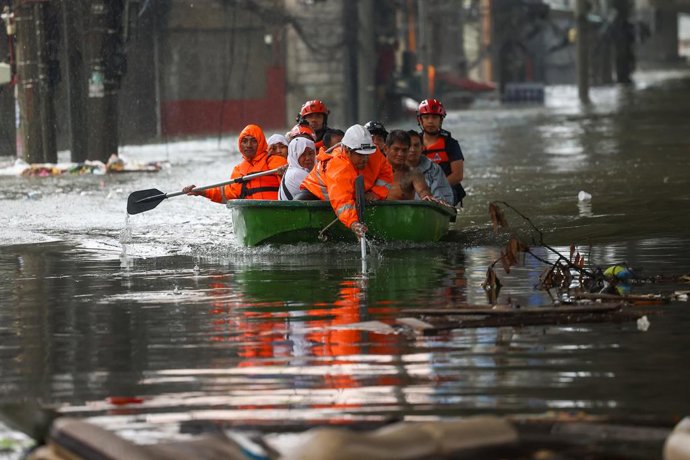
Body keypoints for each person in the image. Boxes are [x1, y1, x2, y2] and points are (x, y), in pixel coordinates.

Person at [297, 124, 393, 239]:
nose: (365, 159)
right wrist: (354, 224)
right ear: (347, 151)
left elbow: (386, 175)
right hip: (316, 193)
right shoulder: (339, 167)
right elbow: (342, 201)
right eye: (360, 155)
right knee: (298, 205)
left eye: (367, 155)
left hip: (350, 194)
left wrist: (375, 193)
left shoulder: (373, 152)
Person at [182, 124, 286, 202]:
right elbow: (226, 194)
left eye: (253, 141)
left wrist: (284, 174)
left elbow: (291, 183)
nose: (248, 145)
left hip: (275, 209)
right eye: (244, 141)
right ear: (240, 144)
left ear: (261, 143)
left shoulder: (274, 160)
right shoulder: (239, 170)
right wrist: (201, 191)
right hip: (252, 212)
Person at [417, 98, 466, 206]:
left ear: (441, 120)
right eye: (426, 117)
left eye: (434, 117)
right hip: (419, 189)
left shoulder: (451, 144)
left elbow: (458, 175)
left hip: (446, 189)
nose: (430, 121)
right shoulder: (412, 143)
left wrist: (434, 188)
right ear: (420, 120)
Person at [383, 130, 434, 201]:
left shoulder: (413, 173)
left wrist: (426, 196)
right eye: (396, 149)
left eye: (404, 150)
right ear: (385, 149)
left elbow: (423, 191)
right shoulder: (374, 170)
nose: (400, 154)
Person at [406, 130, 454, 204]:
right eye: (408, 146)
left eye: (416, 145)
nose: (412, 150)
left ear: (422, 148)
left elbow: (442, 200)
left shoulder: (434, 169)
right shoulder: (391, 169)